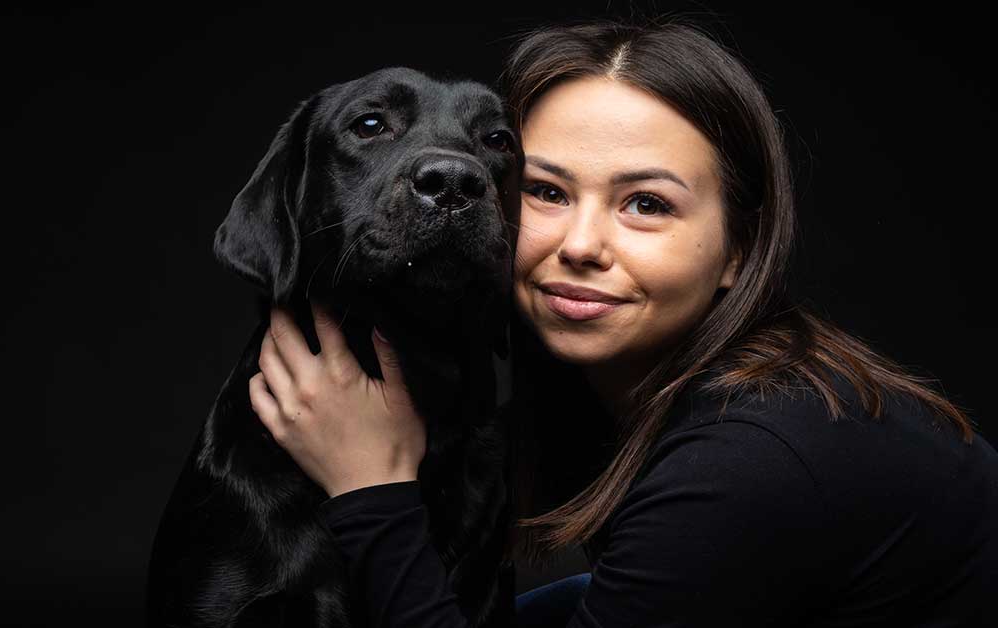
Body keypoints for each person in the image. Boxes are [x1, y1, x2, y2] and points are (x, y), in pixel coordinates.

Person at [247, 17, 998, 628]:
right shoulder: (596, 386)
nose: (580, 245)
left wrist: (372, 490)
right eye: (546, 191)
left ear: (739, 248)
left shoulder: (751, 460)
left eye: (647, 204)